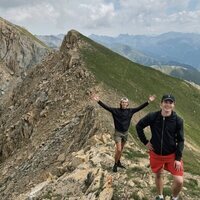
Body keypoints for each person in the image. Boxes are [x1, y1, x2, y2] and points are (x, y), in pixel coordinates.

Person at [136, 94, 184, 200]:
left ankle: (174, 198)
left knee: (179, 180)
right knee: (158, 174)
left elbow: (181, 140)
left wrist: (178, 159)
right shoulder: (153, 116)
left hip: (172, 154)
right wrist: (145, 142)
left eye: (170, 102)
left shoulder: (178, 120)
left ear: (173, 105)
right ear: (161, 104)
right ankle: (160, 196)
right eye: (165, 102)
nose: (168, 104)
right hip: (156, 153)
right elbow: (139, 126)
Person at [92, 94, 156, 172]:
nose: (124, 104)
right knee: (118, 149)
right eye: (123, 102)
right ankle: (115, 165)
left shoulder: (130, 111)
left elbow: (139, 108)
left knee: (121, 149)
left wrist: (148, 101)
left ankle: (118, 162)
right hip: (118, 133)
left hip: (125, 133)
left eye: (125, 103)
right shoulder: (115, 111)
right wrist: (98, 101)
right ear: (120, 103)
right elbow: (107, 107)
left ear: (127, 104)